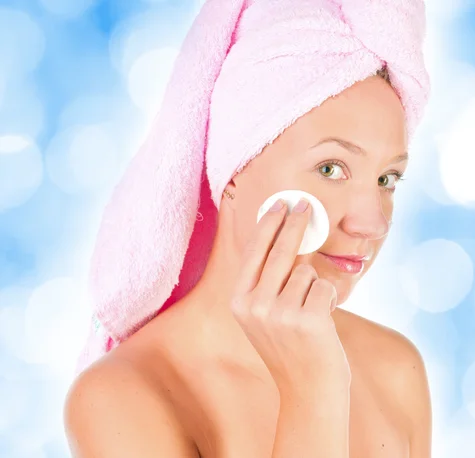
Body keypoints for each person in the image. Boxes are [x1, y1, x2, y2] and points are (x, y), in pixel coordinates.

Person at [64, 1, 432, 457]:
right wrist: (313, 393)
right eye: (331, 168)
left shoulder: (396, 369)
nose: (372, 223)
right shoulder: (123, 396)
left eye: (386, 179)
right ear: (235, 168)